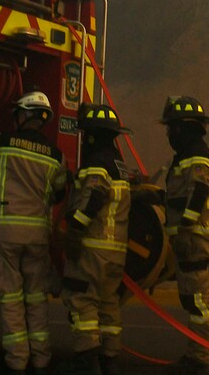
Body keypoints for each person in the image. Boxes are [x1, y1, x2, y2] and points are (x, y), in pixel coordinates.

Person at [0, 92, 69, 374]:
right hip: (37, 236)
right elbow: (60, 191)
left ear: (24, 115)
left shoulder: (2, 143)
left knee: (11, 297)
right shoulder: (56, 156)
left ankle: (17, 361)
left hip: (5, 234)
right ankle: (41, 359)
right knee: (36, 298)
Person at [159, 96, 209, 375]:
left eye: (171, 128)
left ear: (182, 128)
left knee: (196, 302)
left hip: (195, 239)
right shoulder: (190, 155)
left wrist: (186, 227)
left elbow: (199, 192)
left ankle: (199, 358)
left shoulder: (196, 156)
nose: (169, 135)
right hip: (199, 239)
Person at [62, 103, 133, 375]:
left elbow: (95, 196)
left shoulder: (97, 164)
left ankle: (87, 361)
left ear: (92, 135)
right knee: (108, 304)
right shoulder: (120, 165)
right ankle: (110, 360)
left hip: (92, 248)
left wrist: (76, 229)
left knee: (81, 301)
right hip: (116, 252)